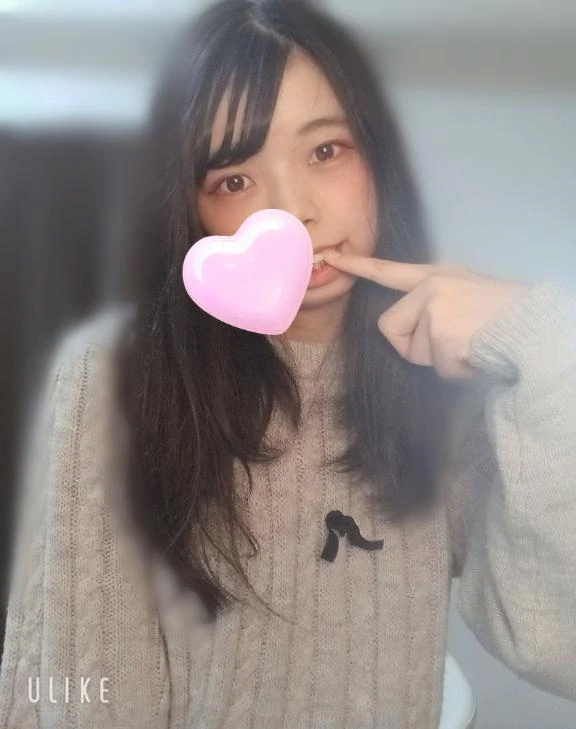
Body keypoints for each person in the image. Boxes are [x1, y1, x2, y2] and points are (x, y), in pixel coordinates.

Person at [1, 1, 575, 727]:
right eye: (234, 181)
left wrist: (550, 348)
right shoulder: (118, 375)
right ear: (194, 212)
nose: (293, 211)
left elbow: (555, 643)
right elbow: (84, 683)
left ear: (378, 158)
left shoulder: (442, 381)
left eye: (326, 151)